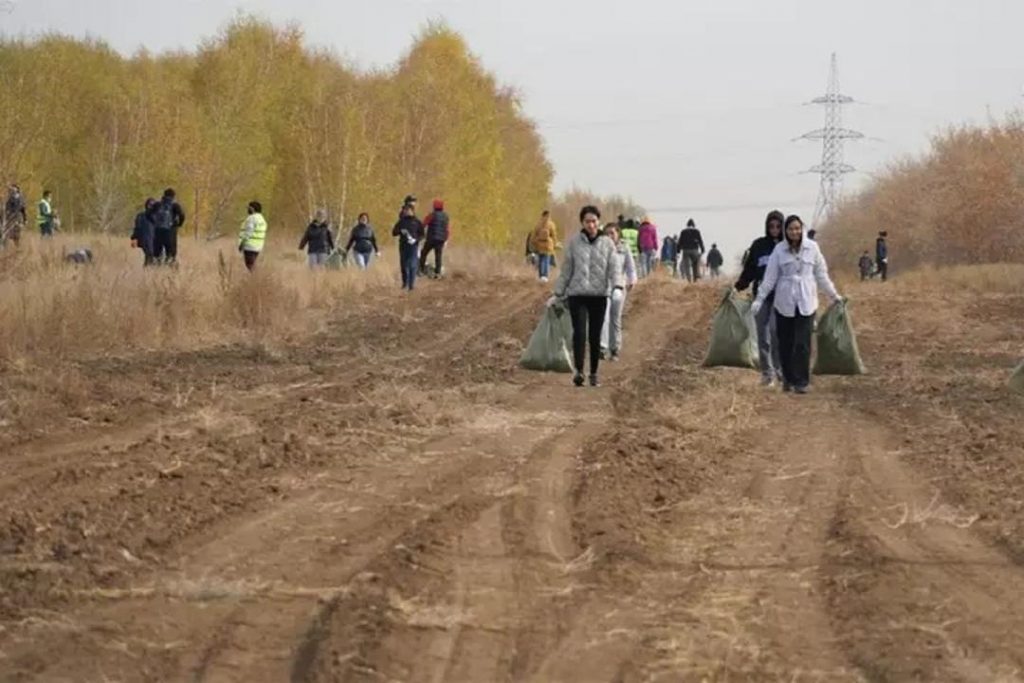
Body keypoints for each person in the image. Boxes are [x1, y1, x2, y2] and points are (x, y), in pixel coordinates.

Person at [752, 214, 842, 394]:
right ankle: (788, 379)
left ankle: (801, 381)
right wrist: (759, 299)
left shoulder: (812, 248)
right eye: (791, 229)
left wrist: (834, 295)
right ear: (786, 231)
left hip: (806, 301)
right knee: (785, 342)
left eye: (797, 228)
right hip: (784, 301)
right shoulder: (779, 250)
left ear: (802, 229)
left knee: (803, 343)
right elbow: (770, 278)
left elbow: (821, 275)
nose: (794, 232)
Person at [552, 205, 615, 388]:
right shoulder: (573, 243)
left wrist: (617, 285)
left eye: (594, 221)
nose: (591, 224)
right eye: (587, 221)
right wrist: (558, 292)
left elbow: (614, 267)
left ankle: (594, 373)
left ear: (598, 222)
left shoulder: (607, 244)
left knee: (595, 336)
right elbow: (566, 270)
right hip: (577, 295)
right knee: (579, 333)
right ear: (582, 223)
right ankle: (579, 371)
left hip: (599, 295)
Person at [736, 210, 785, 386]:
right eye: (771, 226)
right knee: (762, 336)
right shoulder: (758, 246)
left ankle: (780, 369)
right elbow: (749, 269)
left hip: (780, 297)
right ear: (767, 226)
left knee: (775, 332)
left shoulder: (787, 246)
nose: (775, 229)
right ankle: (767, 373)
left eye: (778, 226)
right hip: (761, 296)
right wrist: (739, 285)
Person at [600, 223, 637, 362]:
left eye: (612, 233)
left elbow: (630, 267)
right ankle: (602, 347)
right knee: (604, 317)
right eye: (607, 233)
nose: (609, 236)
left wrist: (632, 280)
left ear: (618, 234)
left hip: (618, 287)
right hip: (603, 287)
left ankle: (614, 348)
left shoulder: (624, 248)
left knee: (615, 318)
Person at [392, 203, 424, 290]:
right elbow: (394, 232)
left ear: (413, 211)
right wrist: (400, 231)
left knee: (412, 265)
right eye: (405, 210)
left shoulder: (417, 222)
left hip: (413, 246)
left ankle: (411, 285)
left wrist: (416, 240)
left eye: (408, 210)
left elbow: (422, 234)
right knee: (404, 265)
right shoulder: (401, 221)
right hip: (403, 245)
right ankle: (405, 283)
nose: (406, 212)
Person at [152, 188, 186, 265]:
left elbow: (148, 214)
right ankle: (170, 272)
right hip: (170, 232)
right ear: (173, 196)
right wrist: (178, 224)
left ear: (164, 195)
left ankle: (156, 271)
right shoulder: (175, 205)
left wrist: (154, 223)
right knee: (171, 255)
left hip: (158, 232)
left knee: (157, 255)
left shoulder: (157, 204)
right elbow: (182, 215)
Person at [420, 199, 450, 278]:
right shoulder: (446, 216)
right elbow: (447, 229)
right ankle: (438, 273)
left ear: (434, 207)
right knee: (438, 256)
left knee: (424, 253)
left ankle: (421, 269)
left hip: (431, 238)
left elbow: (423, 224)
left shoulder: (432, 215)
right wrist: (446, 239)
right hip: (441, 240)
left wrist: (420, 233)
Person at [530, 210, 559, 282]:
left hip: (539, 245)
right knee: (546, 261)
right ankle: (545, 276)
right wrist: (555, 244)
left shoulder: (538, 224)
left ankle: (541, 276)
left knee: (541, 261)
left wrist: (533, 243)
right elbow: (553, 235)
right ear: (548, 216)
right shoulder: (551, 224)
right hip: (548, 246)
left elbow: (533, 235)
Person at [238, 200, 267, 272]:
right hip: (258, 245)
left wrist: (242, 243)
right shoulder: (262, 219)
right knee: (252, 265)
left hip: (249, 245)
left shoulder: (251, 218)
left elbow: (249, 232)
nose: (247, 210)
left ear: (252, 209)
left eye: (249, 208)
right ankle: (255, 279)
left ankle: (256, 280)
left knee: (250, 266)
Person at [130, 198, 158, 266]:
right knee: (150, 256)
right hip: (145, 240)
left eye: (152, 205)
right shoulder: (141, 216)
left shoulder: (157, 215)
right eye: (149, 204)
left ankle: (149, 273)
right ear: (146, 205)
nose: (150, 206)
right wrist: (134, 238)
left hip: (155, 240)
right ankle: (148, 272)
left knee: (152, 257)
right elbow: (137, 228)